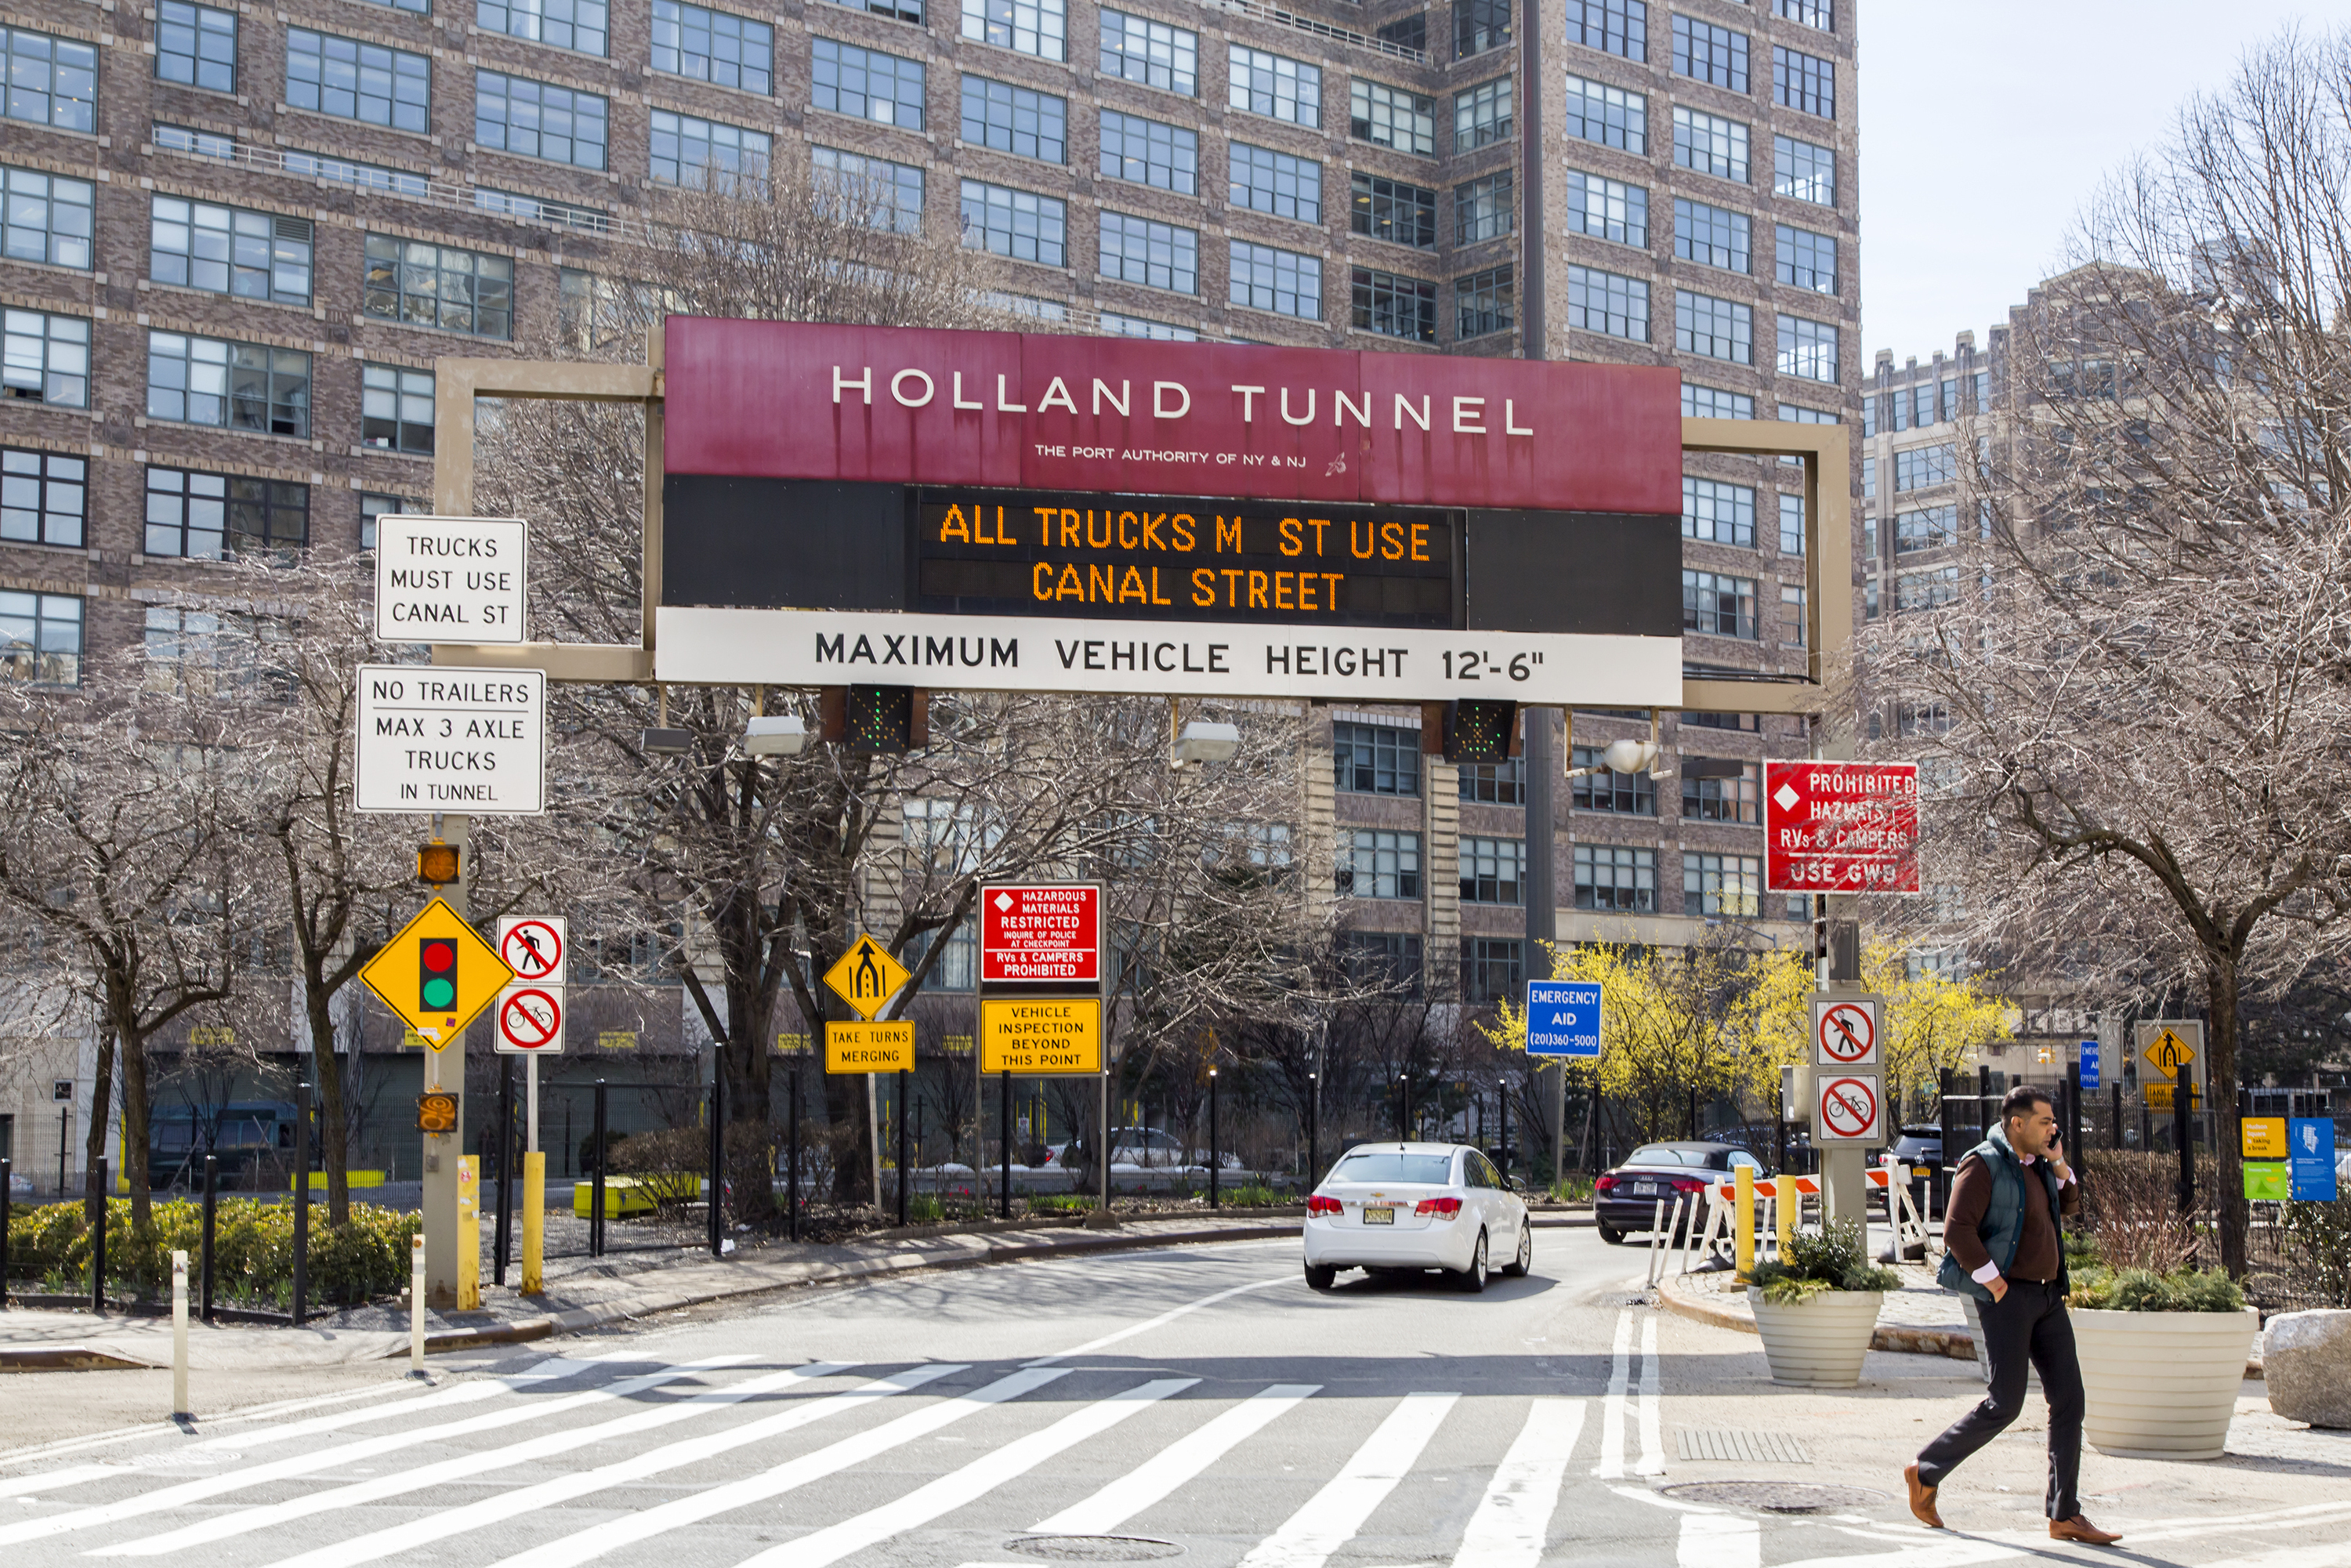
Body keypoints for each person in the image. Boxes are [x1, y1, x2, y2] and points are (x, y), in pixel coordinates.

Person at [1905, 1085, 2119, 1545]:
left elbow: (2071, 1204)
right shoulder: (1982, 1163)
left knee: (2070, 1400)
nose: (2052, 1129)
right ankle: (1925, 1471)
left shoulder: (2040, 1164)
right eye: (2044, 1122)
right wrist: (1994, 1282)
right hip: (2007, 1300)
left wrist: (2060, 1162)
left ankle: (2065, 1513)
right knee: (2006, 1403)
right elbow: (1957, 1229)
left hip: (2047, 1298)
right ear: (2017, 1123)